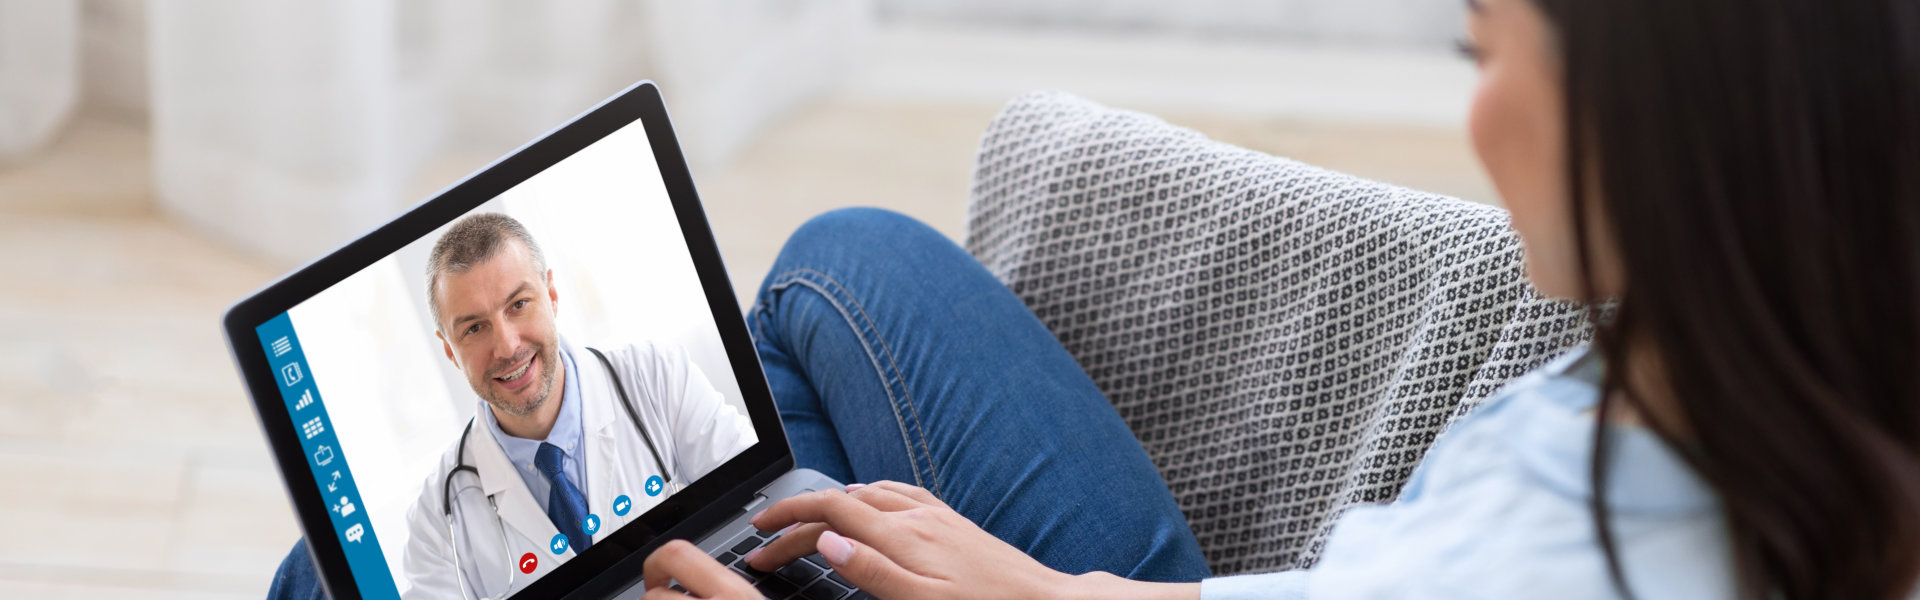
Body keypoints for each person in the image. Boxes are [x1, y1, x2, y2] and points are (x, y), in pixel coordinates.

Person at [274, 0, 1920, 598]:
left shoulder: (1595, 557)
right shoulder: (1768, 367)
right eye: (475, 334)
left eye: (1484, 51)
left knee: (307, 572)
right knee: (829, 282)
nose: (1472, 105)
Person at [403, 212, 755, 598]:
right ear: (449, 350)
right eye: (474, 328)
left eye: (518, 304)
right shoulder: (435, 521)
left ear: (551, 295)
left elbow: (757, 507)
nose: (506, 346)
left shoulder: (656, 375)